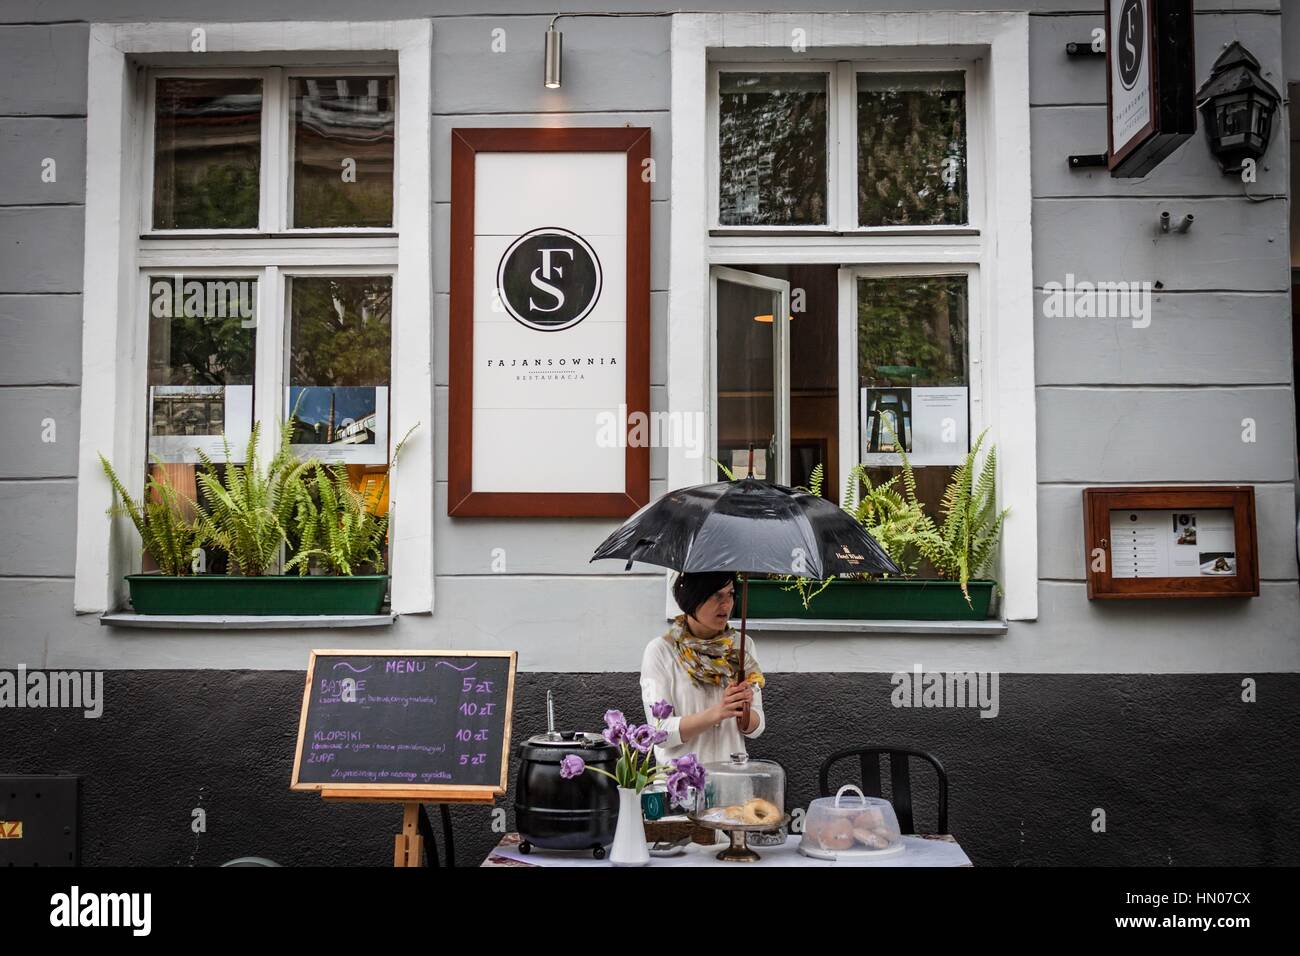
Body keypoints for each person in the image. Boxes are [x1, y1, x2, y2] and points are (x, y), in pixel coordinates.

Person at [639, 570, 766, 772]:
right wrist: (717, 712)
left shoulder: (742, 647)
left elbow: (756, 728)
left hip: (731, 783)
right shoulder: (661, 651)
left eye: (731, 594)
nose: (726, 605)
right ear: (692, 597)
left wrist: (744, 709)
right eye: (716, 595)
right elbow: (659, 732)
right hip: (681, 786)